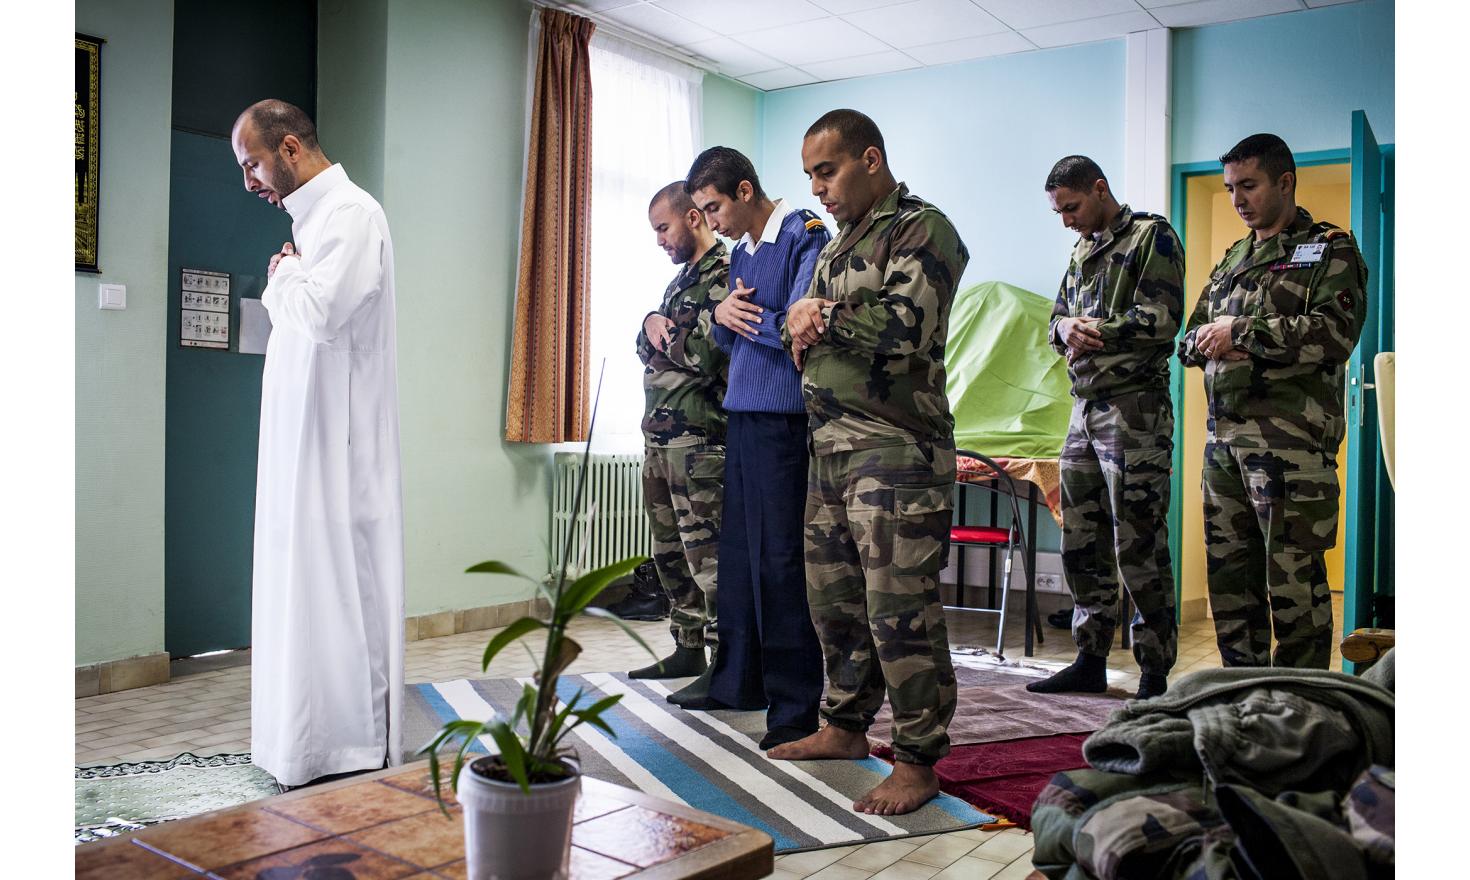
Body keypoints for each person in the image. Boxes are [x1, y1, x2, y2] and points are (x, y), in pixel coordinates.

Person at [770, 109, 969, 816]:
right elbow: (810, 325)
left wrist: (816, 316)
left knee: (900, 610)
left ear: (871, 159)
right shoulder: (839, 242)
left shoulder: (922, 227)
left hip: (895, 449)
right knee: (836, 603)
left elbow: (907, 327)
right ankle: (846, 727)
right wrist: (804, 323)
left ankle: (918, 760)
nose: (818, 187)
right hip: (830, 448)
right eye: (810, 176)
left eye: (828, 170)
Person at [231, 99, 405, 787]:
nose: (250, 182)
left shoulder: (353, 215)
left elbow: (322, 313)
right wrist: (292, 275)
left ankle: (345, 744)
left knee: (335, 582)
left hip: (339, 441)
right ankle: (297, 740)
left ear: (292, 149)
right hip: (300, 437)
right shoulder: (313, 226)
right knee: (296, 578)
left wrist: (282, 275)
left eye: (253, 165)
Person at [1178, 133, 1367, 669]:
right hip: (1224, 444)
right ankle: (1242, 692)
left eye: (1250, 185)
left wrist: (1242, 333)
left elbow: (1334, 333)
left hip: (1291, 446)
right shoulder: (1233, 258)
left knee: (1294, 580)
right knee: (1230, 575)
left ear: (1285, 182)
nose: (1238, 199)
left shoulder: (1330, 248)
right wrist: (1214, 338)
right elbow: (1189, 340)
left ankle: (1303, 700)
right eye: (1231, 188)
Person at [675, 146, 830, 751]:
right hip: (741, 416)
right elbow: (724, 330)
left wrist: (748, 321)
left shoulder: (803, 234)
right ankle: (739, 682)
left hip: (783, 422)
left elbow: (803, 329)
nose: (710, 222)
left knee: (781, 565)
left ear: (744, 191)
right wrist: (722, 312)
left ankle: (794, 710)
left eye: (713, 207)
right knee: (739, 560)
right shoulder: (740, 249)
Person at [1027, 156, 1184, 700]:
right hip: (1084, 410)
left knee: (1138, 538)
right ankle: (1090, 658)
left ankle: (1154, 673)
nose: (1066, 220)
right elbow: (1056, 322)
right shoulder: (1081, 250)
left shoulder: (1150, 237)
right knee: (1081, 537)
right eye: (1059, 211)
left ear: (1099, 189)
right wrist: (1064, 325)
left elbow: (1164, 321)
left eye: (1071, 207)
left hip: (1134, 410)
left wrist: (1096, 330)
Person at [627, 181, 730, 683]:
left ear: (694, 218)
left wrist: (662, 335)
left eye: (663, 228)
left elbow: (709, 355)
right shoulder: (680, 282)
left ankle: (721, 658)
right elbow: (645, 345)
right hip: (660, 441)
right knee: (669, 554)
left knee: (706, 557)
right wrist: (650, 322)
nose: (660, 240)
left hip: (701, 441)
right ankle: (686, 646)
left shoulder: (725, 274)